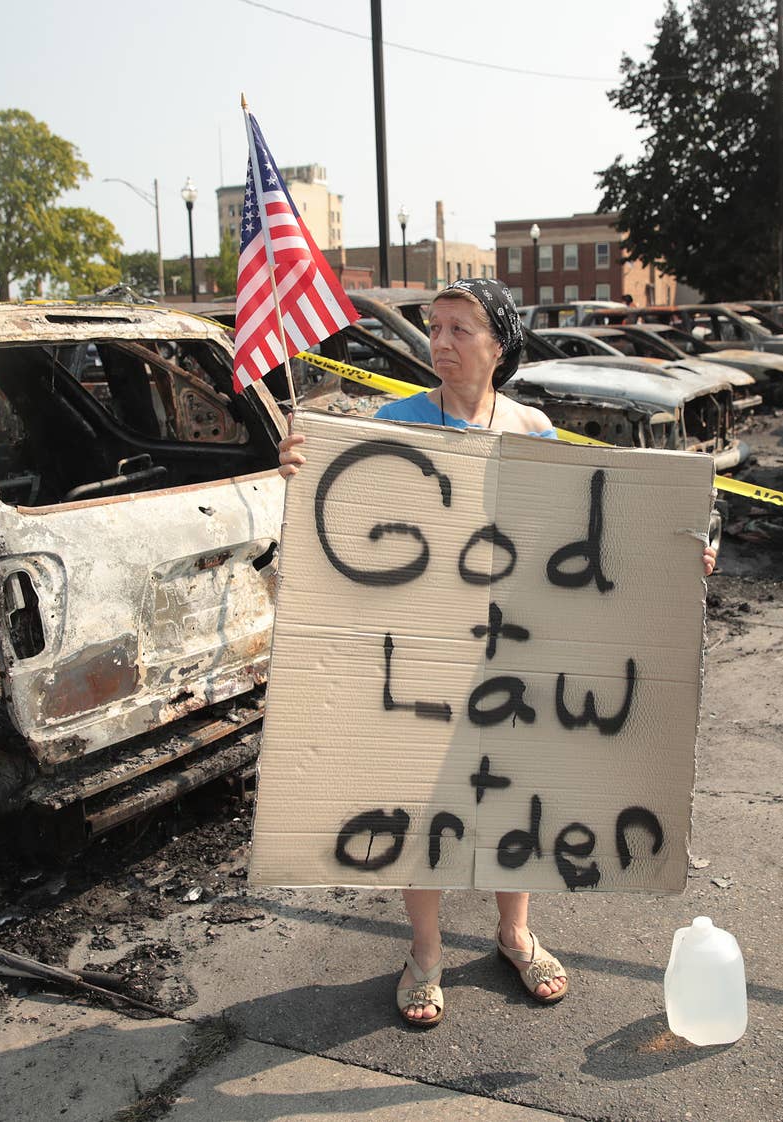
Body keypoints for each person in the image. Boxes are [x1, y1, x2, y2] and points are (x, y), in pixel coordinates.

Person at [277, 277, 715, 1028]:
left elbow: (577, 531)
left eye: (458, 329)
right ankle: (425, 952)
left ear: (499, 344)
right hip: (423, 649)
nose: (439, 342)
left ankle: (515, 933)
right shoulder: (396, 420)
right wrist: (301, 469)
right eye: (433, 327)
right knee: (425, 797)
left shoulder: (532, 427)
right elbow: (356, 514)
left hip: (516, 648)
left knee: (518, 791)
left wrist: (665, 558)